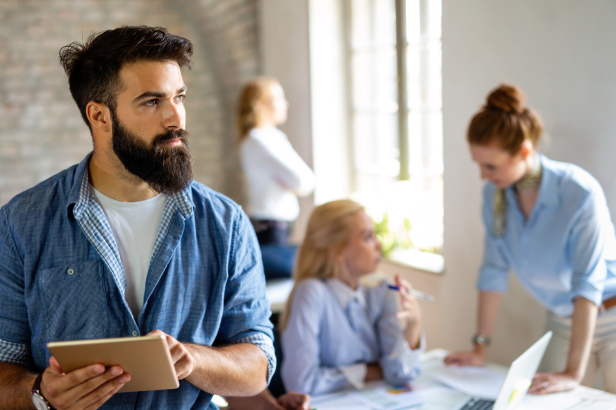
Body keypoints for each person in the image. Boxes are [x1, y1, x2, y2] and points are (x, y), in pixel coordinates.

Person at [0, 26, 276, 409]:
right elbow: (4, 368)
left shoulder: (225, 222)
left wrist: (193, 359)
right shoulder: (20, 223)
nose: (174, 117)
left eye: (179, 97)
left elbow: (258, 363)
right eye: (151, 102)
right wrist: (41, 394)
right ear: (99, 116)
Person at [445, 84, 616, 394]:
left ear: (524, 151)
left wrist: (573, 373)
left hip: (610, 313)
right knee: (543, 398)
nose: (483, 175)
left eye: (491, 165)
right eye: (479, 164)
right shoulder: (494, 197)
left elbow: (586, 282)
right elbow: (493, 271)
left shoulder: (579, 193)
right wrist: (479, 348)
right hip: (563, 318)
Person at [280, 199, 424, 396]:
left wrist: (414, 325)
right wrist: (366, 371)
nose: (379, 245)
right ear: (338, 249)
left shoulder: (382, 292)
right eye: (368, 237)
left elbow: (398, 374)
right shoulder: (311, 293)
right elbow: (301, 384)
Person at [237, 77, 315, 281]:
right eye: (278, 98)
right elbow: (302, 181)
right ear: (262, 104)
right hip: (270, 230)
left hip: (279, 227)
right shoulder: (258, 140)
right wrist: (290, 184)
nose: (285, 104)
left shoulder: (273, 137)